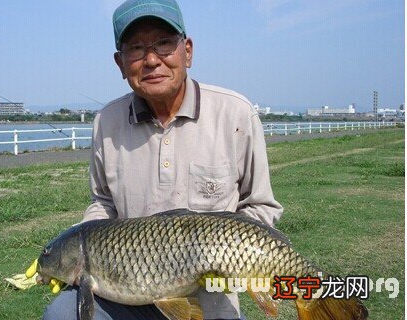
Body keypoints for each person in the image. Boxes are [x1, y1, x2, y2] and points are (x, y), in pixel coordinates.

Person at [43, 0, 283, 319]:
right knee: (62, 315)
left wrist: (231, 260)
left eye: (164, 44)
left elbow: (261, 206)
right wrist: (85, 249)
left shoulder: (235, 113)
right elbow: (103, 203)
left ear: (188, 50)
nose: (152, 60)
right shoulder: (106, 122)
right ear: (120, 62)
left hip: (210, 295)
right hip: (125, 292)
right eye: (137, 48)